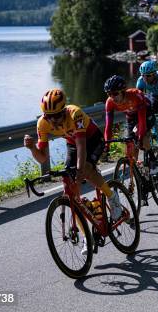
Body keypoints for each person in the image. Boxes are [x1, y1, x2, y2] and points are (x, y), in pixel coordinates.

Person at [24, 89, 123, 223]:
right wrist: (32, 148)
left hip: (92, 139)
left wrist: (80, 171)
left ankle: (112, 197)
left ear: (63, 111)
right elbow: (42, 158)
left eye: (57, 116)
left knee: (86, 169)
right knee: (69, 184)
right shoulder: (42, 123)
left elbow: (82, 146)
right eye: (48, 116)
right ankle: (86, 234)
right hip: (72, 143)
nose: (53, 121)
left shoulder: (74, 113)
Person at [103, 75, 158, 184]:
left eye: (115, 93)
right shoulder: (109, 103)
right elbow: (108, 126)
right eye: (109, 94)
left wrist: (140, 137)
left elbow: (142, 121)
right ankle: (139, 175)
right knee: (130, 146)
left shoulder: (135, 95)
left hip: (146, 112)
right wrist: (107, 146)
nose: (112, 97)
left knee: (142, 138)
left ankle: (153, 160)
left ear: (123, 91)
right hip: (131, 117)